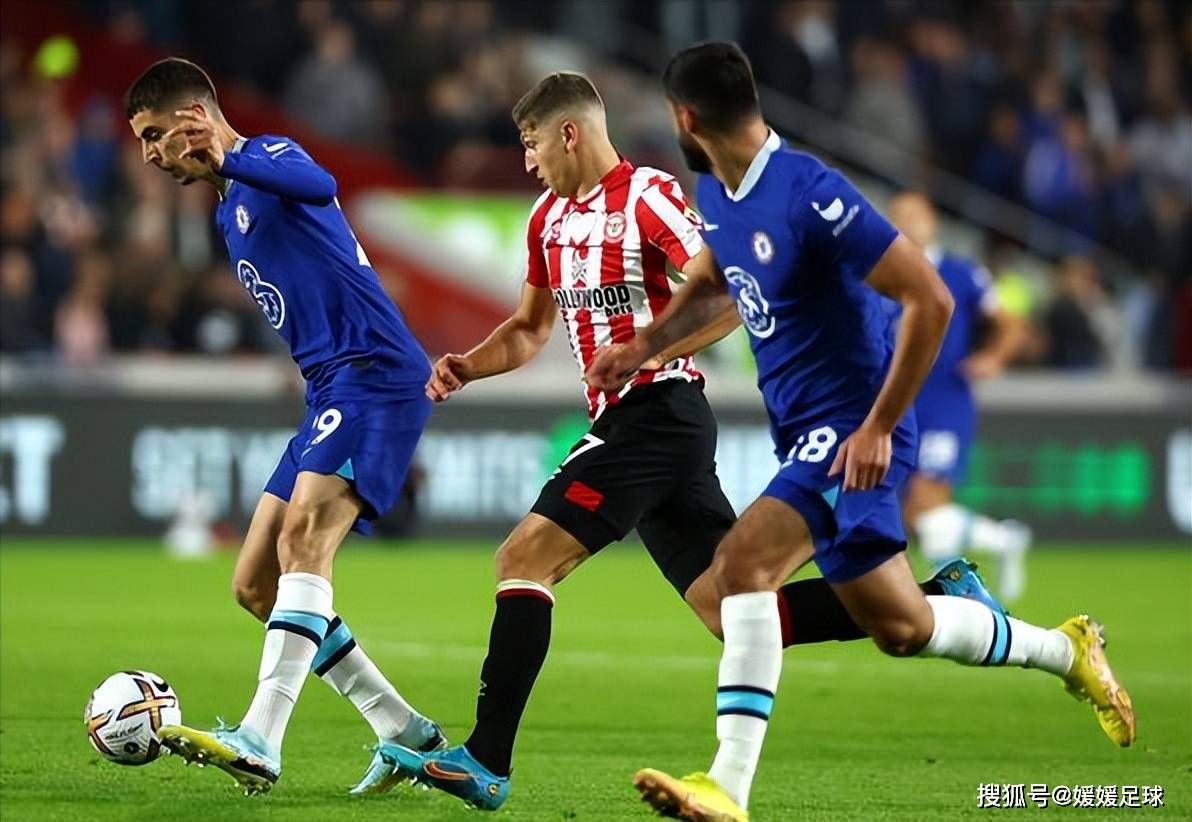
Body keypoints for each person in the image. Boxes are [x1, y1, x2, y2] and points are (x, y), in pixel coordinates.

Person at [371, 72, 1004, 812]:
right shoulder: (546, 219)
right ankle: (940, 598)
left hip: (658, 409)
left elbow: (735, 295)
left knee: (523, 557)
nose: (528, 160)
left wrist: (646, 351)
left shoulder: (649, 197)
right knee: (728, 606)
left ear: (568, 132)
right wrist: (465, 367)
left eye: (532, 141)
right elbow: (530, 330)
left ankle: (485, 758)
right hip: (640, 422)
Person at [587, 42, 1135, 822]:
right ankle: (1064, 649)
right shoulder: (716, 190)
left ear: (684, 117)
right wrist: (644, 345)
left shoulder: (810, 192)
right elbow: (715, 271)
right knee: (899, 626)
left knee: (740, 569)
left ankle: (726, 787)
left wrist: (879, 424)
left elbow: (932, 302)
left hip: (853, 427)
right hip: (810, 431)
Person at [124, 58, 442, 795]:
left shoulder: (266, 156)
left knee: (305, 541)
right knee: (254, 584)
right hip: (329, 387)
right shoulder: (225, 210)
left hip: (376, 374)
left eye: (151, 136)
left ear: (191, 119)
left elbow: (322, 185)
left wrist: (231, 154)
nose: (147, 154)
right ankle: (405, 732)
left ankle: (261, 737)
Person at [886, 191, 1032, 600]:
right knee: (908, 516)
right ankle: (1000, 544)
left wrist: (992, 358)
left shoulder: (961, 272)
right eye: (899, 217)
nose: (908, 224)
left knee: (924, 503)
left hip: (945, 401)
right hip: (898, 405)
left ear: (933, 222)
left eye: (916, 215)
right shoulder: (884, 274)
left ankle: (948, 594)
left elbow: (1011, 323)